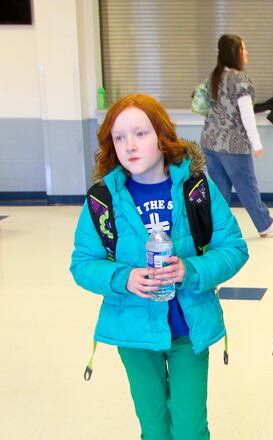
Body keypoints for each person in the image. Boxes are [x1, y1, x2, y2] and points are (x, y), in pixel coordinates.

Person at [70, 94, 249, 438]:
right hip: (134, 333)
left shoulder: (197, 190)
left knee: (190, 427)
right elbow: (82, 263)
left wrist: (191, 270)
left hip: (188, 332)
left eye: (140, 133)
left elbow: (234, 249)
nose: (129, 146)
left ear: (162, 136)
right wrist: (123, 278)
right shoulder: (102, 199)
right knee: (153, 427)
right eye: (119, 138)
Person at [200, 34, 273, 237]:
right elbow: (247, 115)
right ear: (234, 53)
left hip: (210, 142)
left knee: (219, 191)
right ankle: (264, 223)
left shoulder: (215, 76)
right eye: (243, 49)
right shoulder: (239, 78)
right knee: (247, 186)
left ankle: (213, 231)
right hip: (233, 145)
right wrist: (256, 143)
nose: (246, 53)